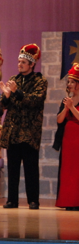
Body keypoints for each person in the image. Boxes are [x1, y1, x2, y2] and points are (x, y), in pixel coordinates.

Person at [0, 44, 47, 210]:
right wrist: (5, 96)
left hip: (29, 132)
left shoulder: (40, 81)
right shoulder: (14, 80)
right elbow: (2, 107)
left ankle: (33, 200)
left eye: (23, 62)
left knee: (31, 168)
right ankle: (12, 200)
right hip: (13, 131)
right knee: (12, 168)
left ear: (32, 64)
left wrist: (16, 92)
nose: (19, 64)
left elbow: (35, 101)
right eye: (19, 61)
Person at [53, 63, 79, 210]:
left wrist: (72, 107)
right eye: (68, 81)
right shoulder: (66, 100)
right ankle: (68, 201)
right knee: (67, 170)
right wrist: (66, 107)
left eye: (72, 81)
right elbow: (59, 120)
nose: (69, 84)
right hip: (68, 140)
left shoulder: (72, 102)